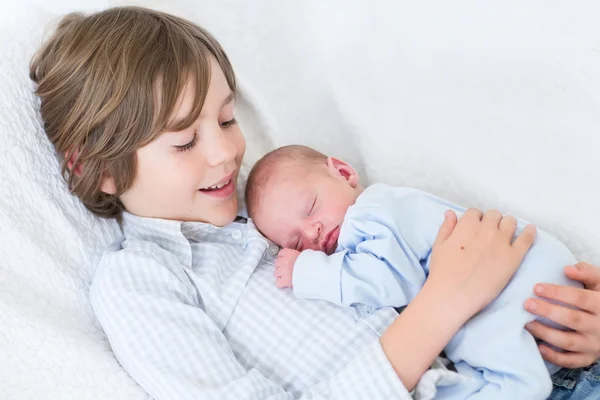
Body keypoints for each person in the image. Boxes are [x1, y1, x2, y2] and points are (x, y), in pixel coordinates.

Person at [28, 6, 600, 400]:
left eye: (227, 118)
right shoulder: (142, 279)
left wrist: (562, 312)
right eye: (184, 141)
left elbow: (427, 243)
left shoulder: (278, 193)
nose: (227, 152)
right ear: (95, 168)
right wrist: (443, 306)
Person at [244, 144, 581, 399]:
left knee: (487, 343)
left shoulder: (373, 214)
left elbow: (391, 281)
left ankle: (520, 386)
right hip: (537, 284)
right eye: (297, 242)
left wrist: (308, 270)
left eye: (311, 208)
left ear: (344, 174)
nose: (312, 232)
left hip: (515, 276)